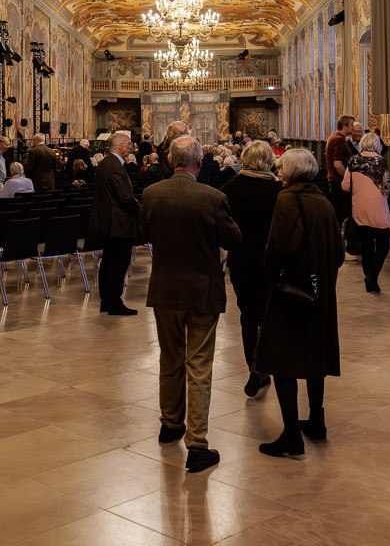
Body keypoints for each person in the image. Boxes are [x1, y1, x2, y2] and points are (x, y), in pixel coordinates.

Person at [139, 136, 242, 473]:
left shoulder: (152, 194)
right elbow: (234, 239)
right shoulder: (213, 198)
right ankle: (197, 444)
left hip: (165, 290)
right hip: (201, 291)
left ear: (170, 161)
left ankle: (170, 424)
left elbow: (146, 233)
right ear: (200, 162)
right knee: (198, 366)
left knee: (170, 360)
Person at [256, 148, 343, 457]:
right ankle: (317, 421)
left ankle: (292, 434)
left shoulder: (287, 199)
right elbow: (340, 252)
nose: (279, 174)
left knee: (283, 359)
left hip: (293, 290)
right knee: (315, 354)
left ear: (291, 172)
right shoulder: (323, 200)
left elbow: (280, 247)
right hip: (322, 291)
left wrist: (270, 272)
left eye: (282, 170)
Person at [220, 140, 281, 397]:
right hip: (270, 262)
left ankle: (253, 369)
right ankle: (266, 364)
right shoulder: (279, 190)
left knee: (248, 316)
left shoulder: (230, 189)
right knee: (268, 317)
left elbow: (223, 227)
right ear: (268, 161)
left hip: (241, 259)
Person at [89, 132, 141, 315]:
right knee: (118, 264)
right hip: (119, 222)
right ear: (120, 146)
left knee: (109, 263)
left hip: (110, 221)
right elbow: (125, 197)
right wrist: (140, 209)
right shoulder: (115, 166)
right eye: (129, 144)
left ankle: (106, 301)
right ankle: (114, 303)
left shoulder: (106, 163)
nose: (131, 146)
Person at [342, 132, 390, 293]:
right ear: (377, 145)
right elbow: (386, 186)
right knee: (384, 243)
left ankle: (370, 280)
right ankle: (372, 276)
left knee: (366, 245)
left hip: (359, 207)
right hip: (378, 207)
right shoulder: (380, 161)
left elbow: (345, 186)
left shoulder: (353, 161)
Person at [325, 115, 355, 246]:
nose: (353, 128)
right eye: (351, 126)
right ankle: (338, 244)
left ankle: (339, 242)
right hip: (338, 182)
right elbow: (337, 164)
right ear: (344, 126)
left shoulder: (337, 137)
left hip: (337, 181)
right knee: (341, 214)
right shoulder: (338, 139)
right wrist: (347, 177)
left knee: (342, 213)